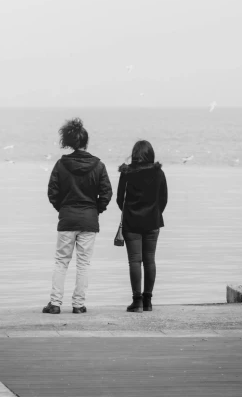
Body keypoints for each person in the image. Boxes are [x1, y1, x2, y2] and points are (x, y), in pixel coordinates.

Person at [43, 117, 112, 314]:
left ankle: (55, 304)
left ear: (70, 142)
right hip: (89, 220)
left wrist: (63, 209)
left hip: (67, 218)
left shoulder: (61, 164)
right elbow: (106, 193)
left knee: (61, 262)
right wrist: (95, 209)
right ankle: (78, 305)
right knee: (83, 264)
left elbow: (52, 192)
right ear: (85, 142)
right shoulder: (98, 165)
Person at [117, 139, 167, 312]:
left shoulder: (127, 172)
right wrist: (154, 212)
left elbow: (119, 199)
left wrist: (131, 211)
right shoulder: (158, 173)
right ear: (150, 154)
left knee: (134, 261)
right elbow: (164, 199)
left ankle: (136, 301)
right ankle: (148, 301)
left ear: (135, 155)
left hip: (132, 223)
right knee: (150, 260)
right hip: (153, 222)